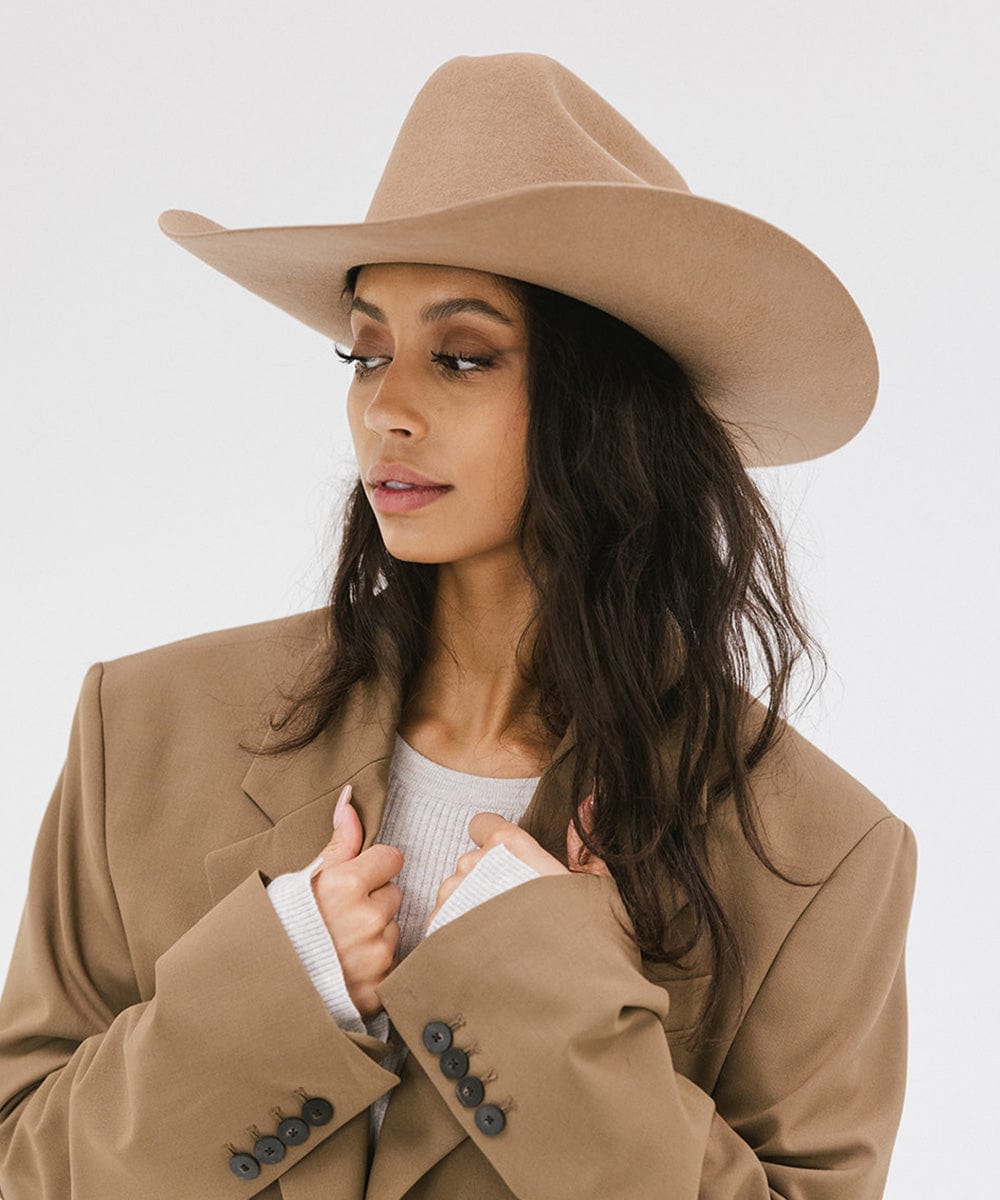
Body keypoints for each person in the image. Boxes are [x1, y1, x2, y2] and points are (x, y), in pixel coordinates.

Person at [0, 51, 917, 1199]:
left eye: (463, 356)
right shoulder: (140, 730)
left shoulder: (816, 857)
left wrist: (547, 996)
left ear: (610, 408)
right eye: (366, 349)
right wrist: (278, 985)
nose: (386, 407)